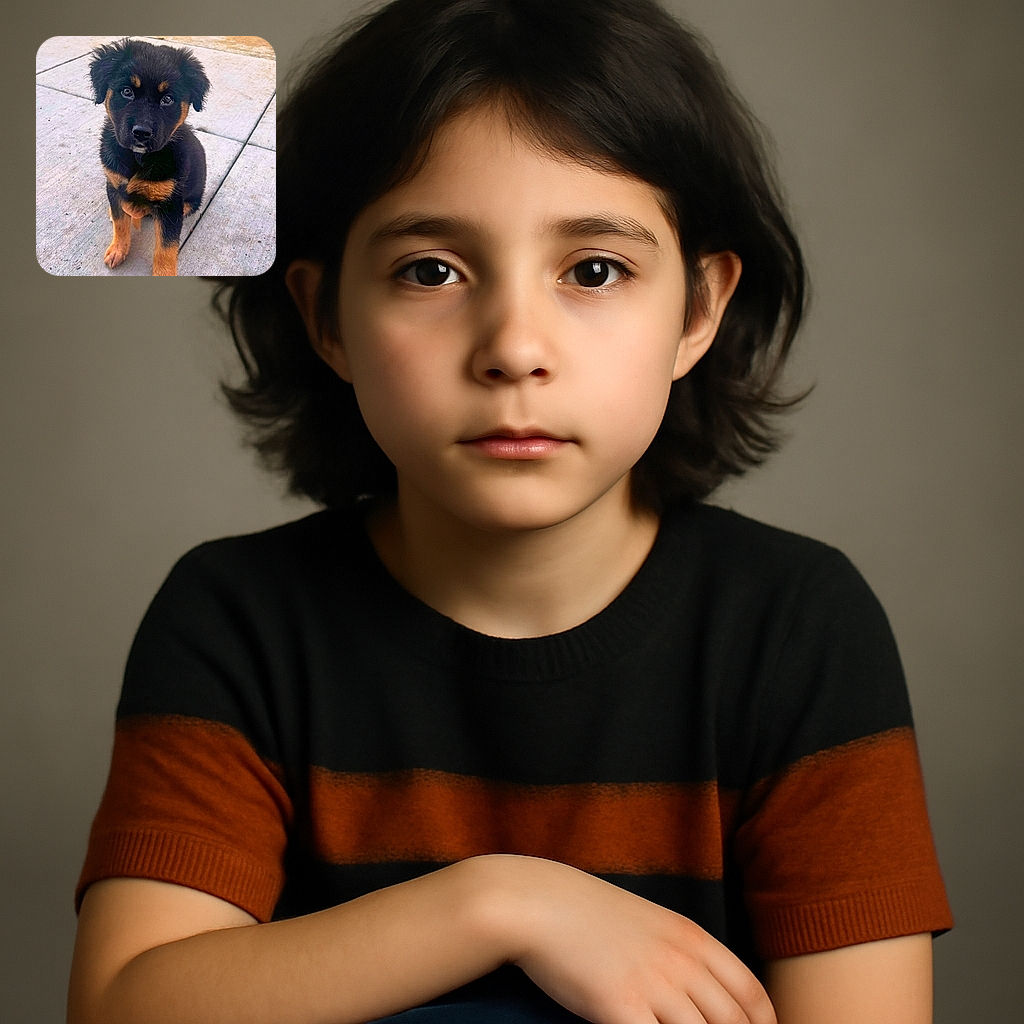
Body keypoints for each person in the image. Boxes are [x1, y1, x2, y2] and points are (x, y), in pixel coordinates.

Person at [67, 1, 952, 1022]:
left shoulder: (799, 626)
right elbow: (126, 1004)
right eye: (430, 270)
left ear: (699, 311)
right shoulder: (236, 620)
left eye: (594, 270)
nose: (513, 347)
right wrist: (505, 901)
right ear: (325, 318)